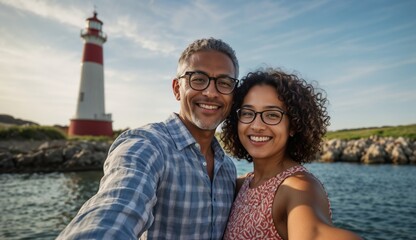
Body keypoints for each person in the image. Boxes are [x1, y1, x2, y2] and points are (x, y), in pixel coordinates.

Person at [57, 38, 239, 239]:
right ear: (177, 89)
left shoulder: (227, 169)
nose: (211, 92)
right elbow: (116, 207)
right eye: (198, 79)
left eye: (224, 83)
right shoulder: (147, 146)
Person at [221, 68, 362, 239]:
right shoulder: (241, 184)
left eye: (272, 115)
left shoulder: (299, 187)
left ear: (293, 125)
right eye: (248, 113)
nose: (256, 125)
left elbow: (316, 233)